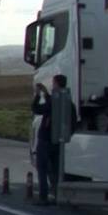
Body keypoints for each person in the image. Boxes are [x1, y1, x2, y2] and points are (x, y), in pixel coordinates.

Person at [32, 74, 76, 205]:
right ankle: (57, 195)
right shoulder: (68, 102)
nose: (53, 85)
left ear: (56, 84)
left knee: (42, 168)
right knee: (56, 170)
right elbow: (73, 121)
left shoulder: (51, 102)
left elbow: (36, 109)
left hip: (45, 140)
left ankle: (43, 197)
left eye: (53, 83)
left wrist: (37, 95)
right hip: (58, 141)